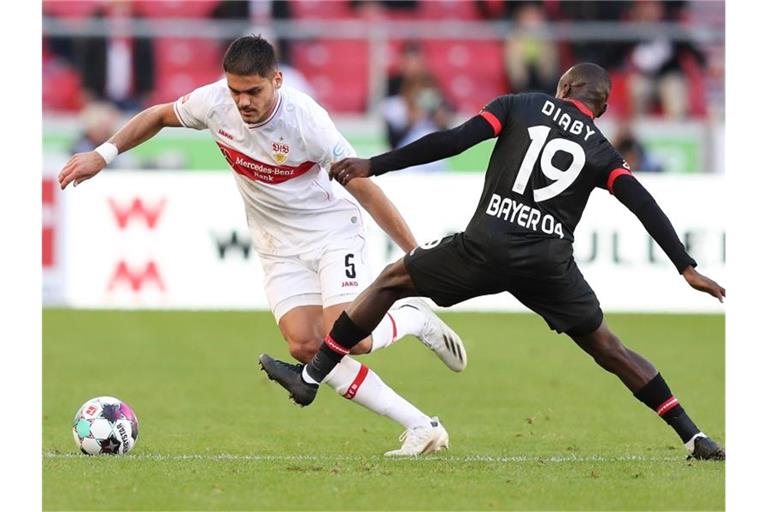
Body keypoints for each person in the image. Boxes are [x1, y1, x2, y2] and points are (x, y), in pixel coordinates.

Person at [259, 63, 726, 461]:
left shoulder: (518, 105)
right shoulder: (601, 150)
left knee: (391, 281)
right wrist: (685, 265)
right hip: (548, 265)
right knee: (610, 348)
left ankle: (311, 376)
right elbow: (641, 202)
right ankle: (694, 435)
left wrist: (373, 165)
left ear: (562, 87)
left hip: (486, 246)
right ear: (600, 108)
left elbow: (453, 141)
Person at [58, 35, 468, 457]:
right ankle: (421, 425)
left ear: (276, 80)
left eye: (253, 91)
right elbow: (160, 115)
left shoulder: (307, 121)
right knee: (306, 347)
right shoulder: (214, 102)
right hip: (276, 245)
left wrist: (417, 256)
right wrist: (104, 154)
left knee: (350, 338)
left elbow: (365, 189)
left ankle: (411, 317)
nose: (243, 102)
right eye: (236, 91)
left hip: (331, 232)